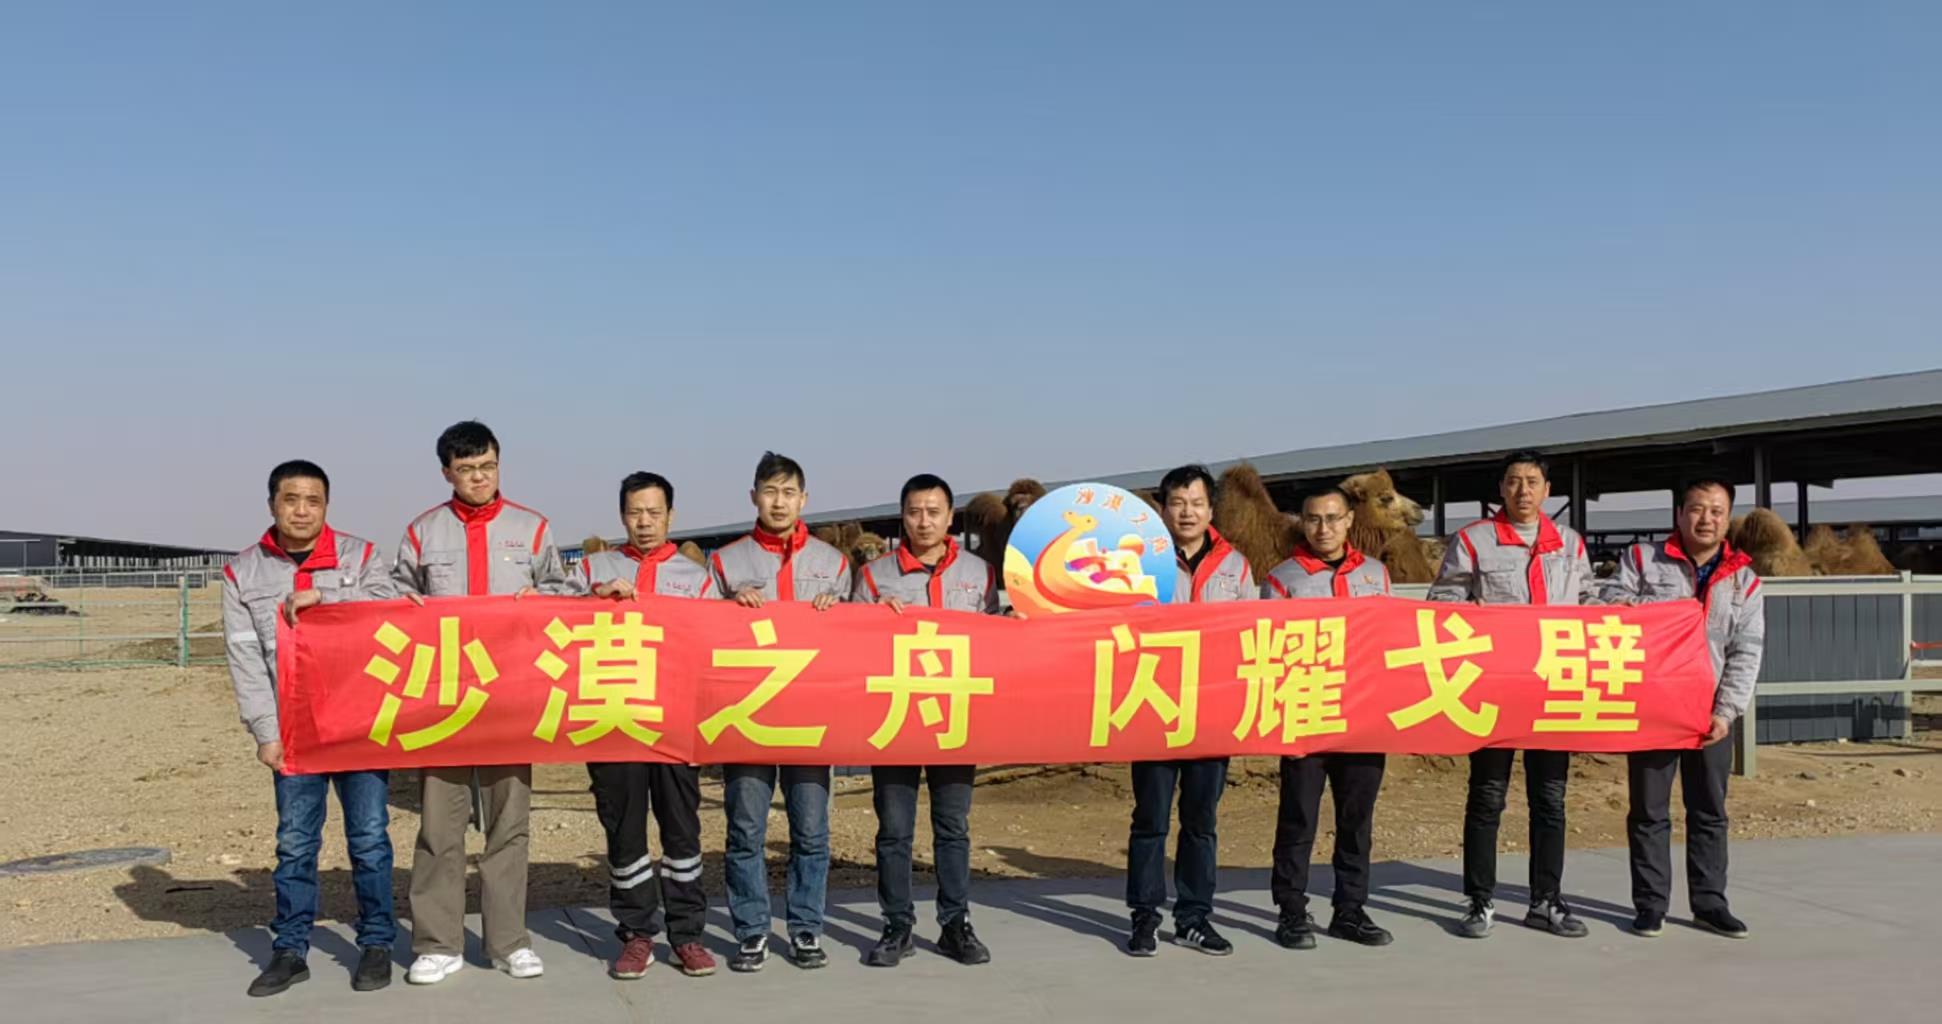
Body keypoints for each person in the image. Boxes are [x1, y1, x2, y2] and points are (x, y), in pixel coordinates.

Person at [393, 421, 570, 985]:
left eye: (487, 467)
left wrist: (543, 597)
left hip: (511, 699)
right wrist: (405, 602)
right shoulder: (423, 532)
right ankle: (437, 943)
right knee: (438, 828)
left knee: (508, 824)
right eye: (466, 469)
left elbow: (565, 593)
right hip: (445, 700)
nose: (479, 478)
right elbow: (393, 597)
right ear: (446, 472)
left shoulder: (532, 529)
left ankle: (508, 941)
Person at [223, 460, 396, 997]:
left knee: (369, 839)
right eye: (291, 499)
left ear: (327, 506)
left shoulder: (360, 557)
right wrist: (265, 731)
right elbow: (245, 659)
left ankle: (377, 943)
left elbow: (390, 610)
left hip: (359, 724)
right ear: (272, 504)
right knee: (296, 843)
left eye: (313, 500)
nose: (302, 510)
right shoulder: (243, 573)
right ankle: (290, 949)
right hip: (295, 731)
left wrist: (329, 597)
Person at [1427, 450, 1595, 939]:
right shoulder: (1474, 540)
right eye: (1514, 481)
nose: (1523, 490)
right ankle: (1479, 900)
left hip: (1553, 687)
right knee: (1487, 795)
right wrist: (1468, 610)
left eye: (1533, 481)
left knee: (1551, 798)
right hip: (1495, 687)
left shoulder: (1570, 544)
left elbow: (1589, 601)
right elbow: (1442, 600)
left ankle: (1546, 900)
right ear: (1501, 488)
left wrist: (1621, 609)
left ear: (1547, 490)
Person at [569, 472, 718, 978]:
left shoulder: (697, 579)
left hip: (676, 725)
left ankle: (687, 935)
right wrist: (593, 598)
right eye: (635, 512)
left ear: (671, 516)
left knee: (682, 831)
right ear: (622, 515)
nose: (645, 522)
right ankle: (636, 934)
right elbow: (553, 619)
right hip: (614, 722)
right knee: (624, 831)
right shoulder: (592, 569)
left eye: (655, 512)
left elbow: (716, 645)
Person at [708, 451, 852, 972]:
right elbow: (700, 633)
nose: (779, 502)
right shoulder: (724, 564)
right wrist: (727, 610)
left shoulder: (834, 565)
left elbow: (859, 641)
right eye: (770, 492)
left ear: (804, 500)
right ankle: (751, 929)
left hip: (811, 718)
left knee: (810, 832)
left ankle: (806, 927)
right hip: (747, 717)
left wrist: (838, 613)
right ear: (754, 497)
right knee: (745, 830)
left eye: (789, 493)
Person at [1603, 478, 1764, 939]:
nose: (1706, 519)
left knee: (1709, 810)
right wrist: (1652, 609)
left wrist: (1726, 711)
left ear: (1727, 519)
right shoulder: (1642, 560)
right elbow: (1604, 603)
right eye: (1696, 509)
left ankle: (1710, 903)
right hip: (1653, 708)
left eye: (1716, 511)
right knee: (1649, 810)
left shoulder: (1745, 580)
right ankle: (1650, 904)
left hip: (1709, 712)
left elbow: (1746, 650)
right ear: (1679, 514)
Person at [852, 474, 1000, 968]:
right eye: (915, 512)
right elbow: (848, 646)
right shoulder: (874, 577)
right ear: (903, 516)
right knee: (894, 830)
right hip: (895, 718)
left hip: (954, 719)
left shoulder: (979, 573)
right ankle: (897, 926)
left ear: (950, 517)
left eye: (934, 512)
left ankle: (956, 923)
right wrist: (871, 618)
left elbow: (995, 641)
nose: (924, 521)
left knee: (952, 826)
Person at [1126, 465, 1254, 957]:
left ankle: (1194, 917)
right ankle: (1144, 916)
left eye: (1196, 503)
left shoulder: (1235, 566)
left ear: (1211, 510)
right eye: (1177, 503)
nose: (1187, 512)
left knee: (1201, 821)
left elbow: (1254, 636)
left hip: (1211, 713)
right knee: (1151, 819)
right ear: (1162, 509)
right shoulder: (1138, 562)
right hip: (1153, 706)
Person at [1260, 485, 1394, 950]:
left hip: (1363, 715)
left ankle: (1350, 910)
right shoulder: (1282, 579)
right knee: (1298, 817)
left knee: (1356, 819)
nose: (1324, 528)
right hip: (1307, 712)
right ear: (1302, 522)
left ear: (1350, 520)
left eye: (1333, 518)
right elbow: (1268, 649)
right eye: (1314, 519)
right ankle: (1292, 911)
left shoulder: (1376, 574)